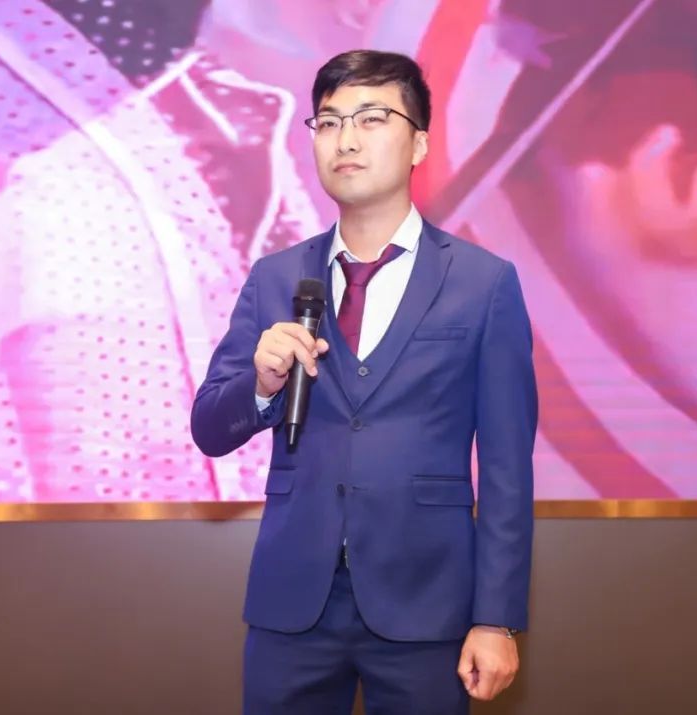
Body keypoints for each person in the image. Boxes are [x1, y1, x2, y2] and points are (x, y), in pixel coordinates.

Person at [191, 49, 537, 714]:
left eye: (372, 118)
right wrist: (261, 384)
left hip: (427, 602)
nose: (346, 139)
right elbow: (209, 429)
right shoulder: (276, 277)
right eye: (328, 122)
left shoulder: (483, 283)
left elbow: (506, 469)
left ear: (419, 143)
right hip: (292, 602)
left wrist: (496, 617)